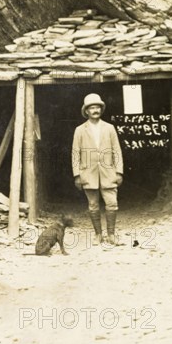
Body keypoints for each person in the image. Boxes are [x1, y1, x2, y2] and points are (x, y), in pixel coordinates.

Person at [72, 93, 123, 246]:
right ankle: (98, 235)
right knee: (93, 205)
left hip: (109, 173)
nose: (95, 110)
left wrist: (119, 171)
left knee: (112, 203)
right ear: (86, 111)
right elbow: (75, 153)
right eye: (91, 108)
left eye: (97, 107)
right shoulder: (80, 130)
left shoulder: (110, 128)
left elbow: (117, 151)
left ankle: (111, 235)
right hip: (88, 173)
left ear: (101, 109)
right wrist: (77, 175)